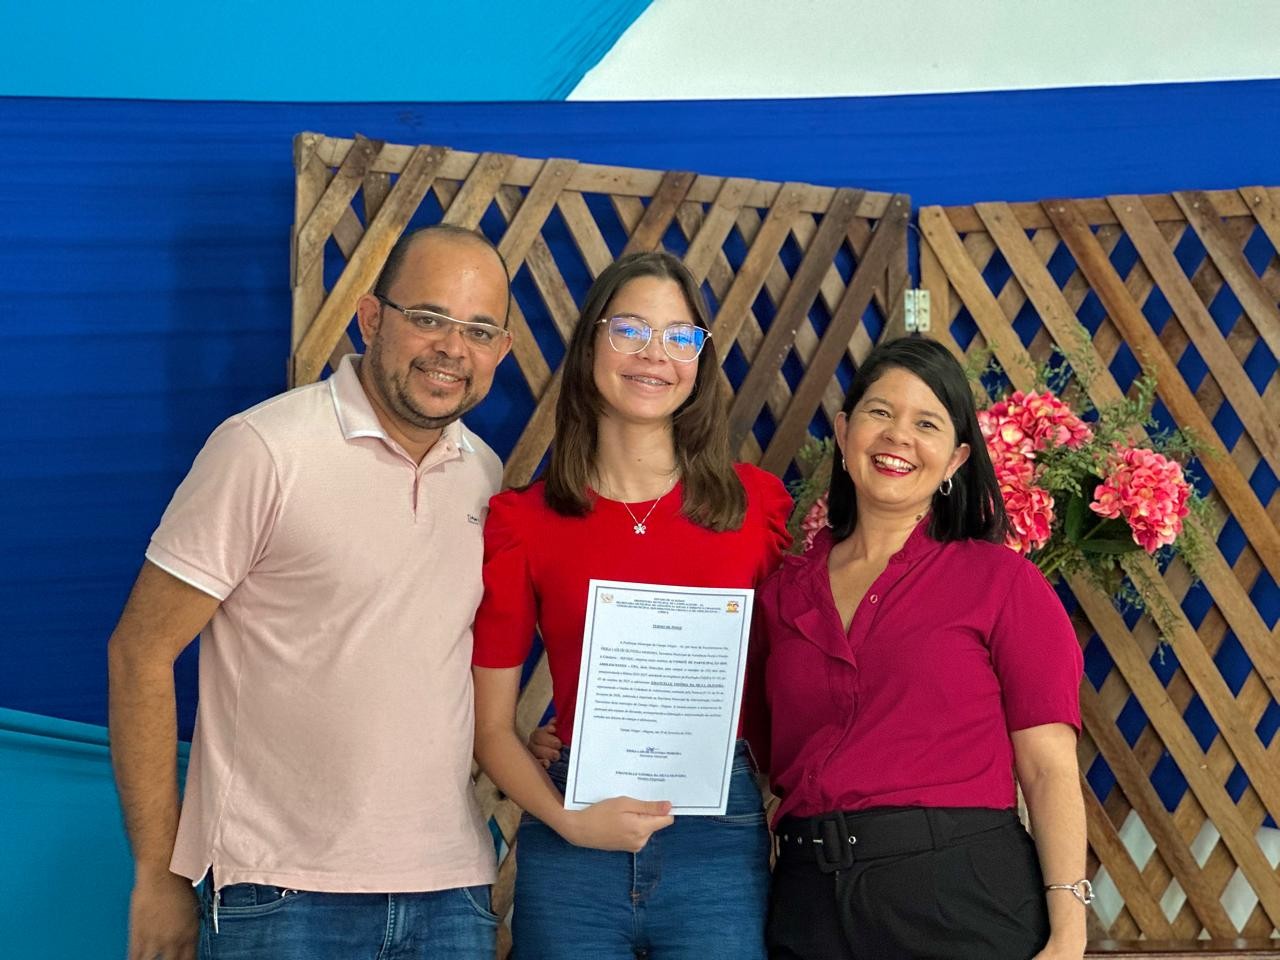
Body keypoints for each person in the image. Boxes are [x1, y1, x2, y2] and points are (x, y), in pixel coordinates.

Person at [107, 225, 514, 960]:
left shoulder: (485, 476)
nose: (453, 348)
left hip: (451, 890)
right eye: (429, 317)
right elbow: (140, 652)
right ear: (371, 318)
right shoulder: (263, 450)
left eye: (479, 330)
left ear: (501, 350)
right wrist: (157, 874)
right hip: (278, 892)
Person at [471, 251, 792, 959]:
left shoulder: (755, 509)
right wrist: (566, 818)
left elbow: (788, 683)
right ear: (591, 344)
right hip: (573, 835)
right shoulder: (524, 521)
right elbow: (490, 727)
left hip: (719, 841)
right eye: (631, 331)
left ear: (701, 360)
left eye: (680, 336)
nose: (656, 354)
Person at [759, 336, 1087, 960]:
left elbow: (1048, 770)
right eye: (880, 412)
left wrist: (1069, 935)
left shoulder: (1003, 583)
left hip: (956, 898)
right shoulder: (782, 593)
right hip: (807, 905)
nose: (898, 436)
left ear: (957, 457)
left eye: (927, 423)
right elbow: (762, 753)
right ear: (844, 431)